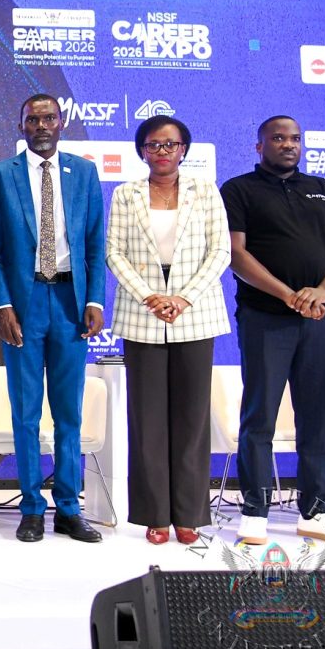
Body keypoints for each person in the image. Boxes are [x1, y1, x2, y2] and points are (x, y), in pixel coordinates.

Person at [221, 115, 325, 546]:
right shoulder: (239, 189)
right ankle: (255, 509)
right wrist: (288, 294)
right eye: (278, 138)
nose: (288, 144)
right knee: (260, 413)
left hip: (321, 315)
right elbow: (236, 254)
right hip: (266, 316)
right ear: (259, 145)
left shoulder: (323, 188)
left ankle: (316, 510)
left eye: (295, 138)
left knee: (316, 414)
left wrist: (321, 291)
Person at [0, 94, 107, 544]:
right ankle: (32, 507)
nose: (41, 126)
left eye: (49, 118)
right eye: (32, 119)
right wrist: (2, 305)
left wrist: (95, 299)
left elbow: (95, 243)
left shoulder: (85, 172)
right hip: (25, 300)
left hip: (72, 301)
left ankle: (70, 509)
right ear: (20, 124)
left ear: (61, 122)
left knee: (69, 414)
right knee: (26, 411)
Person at [106, 115, 230, 545]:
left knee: (192, 419)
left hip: (195, 313)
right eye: (154, 145)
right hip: (143, 316)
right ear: (142, 150)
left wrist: (183, 297)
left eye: (171, 144)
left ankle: (189, 515)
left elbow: (221, 252)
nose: (163, 152)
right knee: (148, 420)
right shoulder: (125, 194)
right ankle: (155, 514)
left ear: (184, 150)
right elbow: (114, 253)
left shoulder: (206, 191)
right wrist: (150, 297)